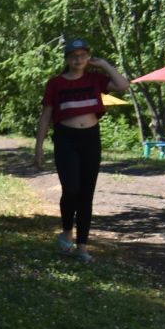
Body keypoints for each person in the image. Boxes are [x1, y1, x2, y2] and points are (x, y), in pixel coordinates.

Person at [33, 37, 128, 263]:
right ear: (67, 59)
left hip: (90, 138)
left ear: (88, 57)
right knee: (71, 189)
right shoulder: (56, 83)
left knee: (87, 194)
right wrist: (38, 148)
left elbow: (123, 85)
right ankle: (67, 231)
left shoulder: (95, 79)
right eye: (74, 56)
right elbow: (46, 116)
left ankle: (82, 247)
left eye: (83, 55)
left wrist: (104, 64)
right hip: (66, 138)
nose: (79, 59)